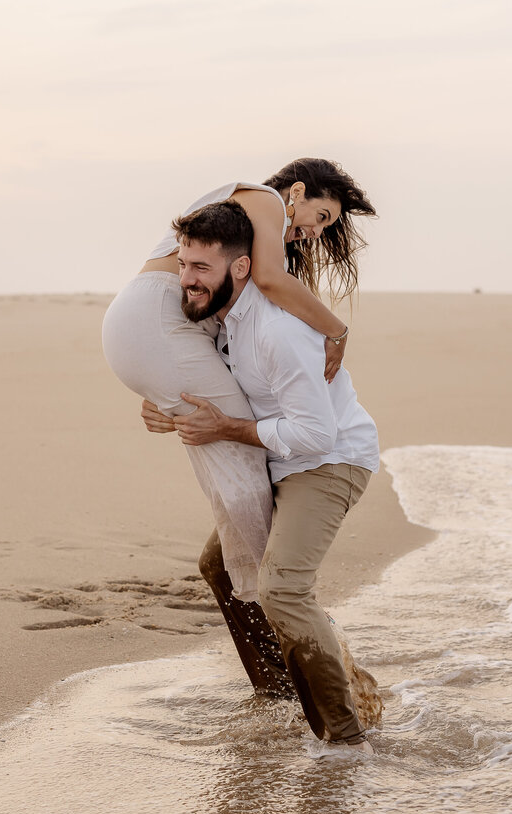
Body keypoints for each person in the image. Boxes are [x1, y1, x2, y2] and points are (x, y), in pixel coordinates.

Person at [140, 200, 380, 752]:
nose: (186, 280)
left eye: (201, 268)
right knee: (220, 566)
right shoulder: (217, 322)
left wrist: (227, 427)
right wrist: (158, 409)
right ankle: (280, 695)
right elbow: (194, 382)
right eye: (183, 265)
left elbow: (315, 434)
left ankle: (345, 740)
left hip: (330, 461)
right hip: (275, 458)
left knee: (284, 589)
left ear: (241, 268)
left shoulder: (277, 332)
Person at [101, 159, 375, 603]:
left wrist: (162, 394)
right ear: (297, 192)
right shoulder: (265, 199)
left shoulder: (244, 228)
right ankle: (270, 599)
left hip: (148, 324)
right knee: (240, 463)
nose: (317, 233)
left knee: (228, 453)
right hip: (159, 320)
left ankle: (266, 605)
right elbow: (269, 279)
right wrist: (337, 331)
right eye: (321, 217)